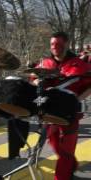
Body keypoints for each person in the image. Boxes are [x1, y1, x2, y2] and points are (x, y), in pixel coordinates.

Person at [31, 32, 91, 180]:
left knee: (66, 149)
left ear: (66, 44)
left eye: (58, 44)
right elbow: (32, 78)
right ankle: (72, 164)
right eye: (52, 44)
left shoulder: (80, 65)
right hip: (49, 112)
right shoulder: (45, 63)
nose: (54, 47)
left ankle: (62, 176)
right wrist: (37, 82)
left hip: (70, 113)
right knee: (54, 143)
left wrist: (77, 99)